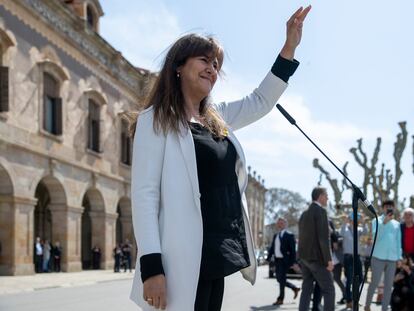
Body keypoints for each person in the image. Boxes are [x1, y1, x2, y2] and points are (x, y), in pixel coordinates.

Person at [127, 6, 311, 311]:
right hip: (180, 258)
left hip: (216, 253)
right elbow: (144, 196)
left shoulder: (217, 118)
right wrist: (152, 268)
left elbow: (261, 101)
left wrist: (288, 48)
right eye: (204, 60)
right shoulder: (155, 120)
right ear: (178, 66)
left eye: (216, 64)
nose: (212, 69)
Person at [298, 187, 335, 311]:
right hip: (317, 259)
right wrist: (329, 260)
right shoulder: (321, 212)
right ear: (320, 196)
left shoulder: (304, 214)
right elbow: (323, 238)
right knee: (329, 289)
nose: (328, 198)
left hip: (304, 259)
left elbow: (301, 237)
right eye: (326, 195)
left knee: (306, 290)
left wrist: (300, 258)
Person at [365, 200, 402, 311]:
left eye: (391, 206)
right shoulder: (376, 220)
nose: (389, 208)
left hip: (392, 259)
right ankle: (367, 306)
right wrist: (384, 223)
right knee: (374, 283)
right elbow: (376, 238)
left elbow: (398, 242)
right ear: (383, 208)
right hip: (377, 257)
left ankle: (384, 309)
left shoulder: (397, 224)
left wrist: (399, 257)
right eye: (387, 206)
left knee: (388, 286)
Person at [267, 217, 300, 305]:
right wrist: (268, 258)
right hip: (277, 261)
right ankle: (294, 288)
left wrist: (293, 262)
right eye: (278, 223)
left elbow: (293, 250)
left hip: (285, 261)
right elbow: (272, 249)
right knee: (279, 279)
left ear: (286, 224)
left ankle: (280, 299)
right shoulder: (276, 235)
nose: (279, 224)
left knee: (281, 279)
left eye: (281, 223)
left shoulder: (289, 235)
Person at [340, 212, 367, 309]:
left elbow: (365, 232)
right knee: (349, 280)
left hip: (357, 257)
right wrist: (345, 221)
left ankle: (353, 297)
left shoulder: (359, 229)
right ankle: (349, 301)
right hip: (348, 257)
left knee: (360, 278)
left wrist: (363, 222)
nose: (355, 221)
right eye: (353, 219)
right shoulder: (345, 229)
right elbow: (341, 233)